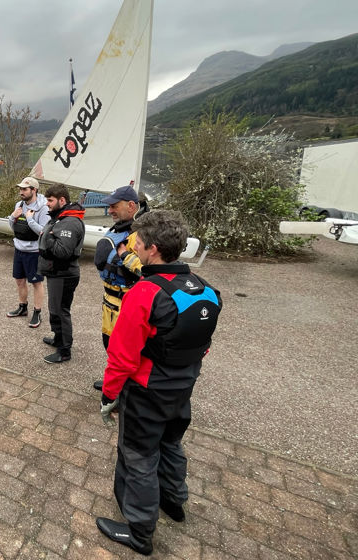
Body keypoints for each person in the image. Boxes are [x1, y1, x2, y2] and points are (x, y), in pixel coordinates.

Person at [96, 210, 221, 556]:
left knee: (138, 456)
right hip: (183, 387)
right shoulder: (205, 290)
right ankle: (175, 502)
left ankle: (139, 532)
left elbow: (121, 356)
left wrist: (109, 393)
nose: (131, 243)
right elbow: (203, 345)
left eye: (136, 239)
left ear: (151, 249)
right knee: (171, 444)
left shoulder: (144, 293)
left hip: (146, 391)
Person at [92, 185, 147, 390]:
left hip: (127, 303)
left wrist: (124, 256)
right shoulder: (119, 228)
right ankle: (115, 381)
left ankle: (127, 389)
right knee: (110, 345)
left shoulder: (143, 234)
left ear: (131, 206)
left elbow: (148, 270)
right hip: (110, 301)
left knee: (126, 351)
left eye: (115, 206)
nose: (111, 210)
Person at [38, 184, 86, 364]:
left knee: (61, 311)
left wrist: (49, 238)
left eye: (50, 200)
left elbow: (63, 252)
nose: (47, 204)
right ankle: (58, 338)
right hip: (55, 272)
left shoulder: (70, 222)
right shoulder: (60, 218)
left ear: (62, 200)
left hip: (64, 273)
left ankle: (65, 350)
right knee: (54, 309)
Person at [6, 176, 50, 328]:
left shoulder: (43, 208)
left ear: (34, 190)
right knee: (19, 280)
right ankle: (22, 307)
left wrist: (30, 219)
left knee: (36, 282)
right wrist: (13, 217)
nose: (21, 192)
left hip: (34, 251)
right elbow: (13, 227)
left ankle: (37, 312)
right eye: (20, 189)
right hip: (19, 249)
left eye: (24, 189)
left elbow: (43, 231)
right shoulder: (19, 204)